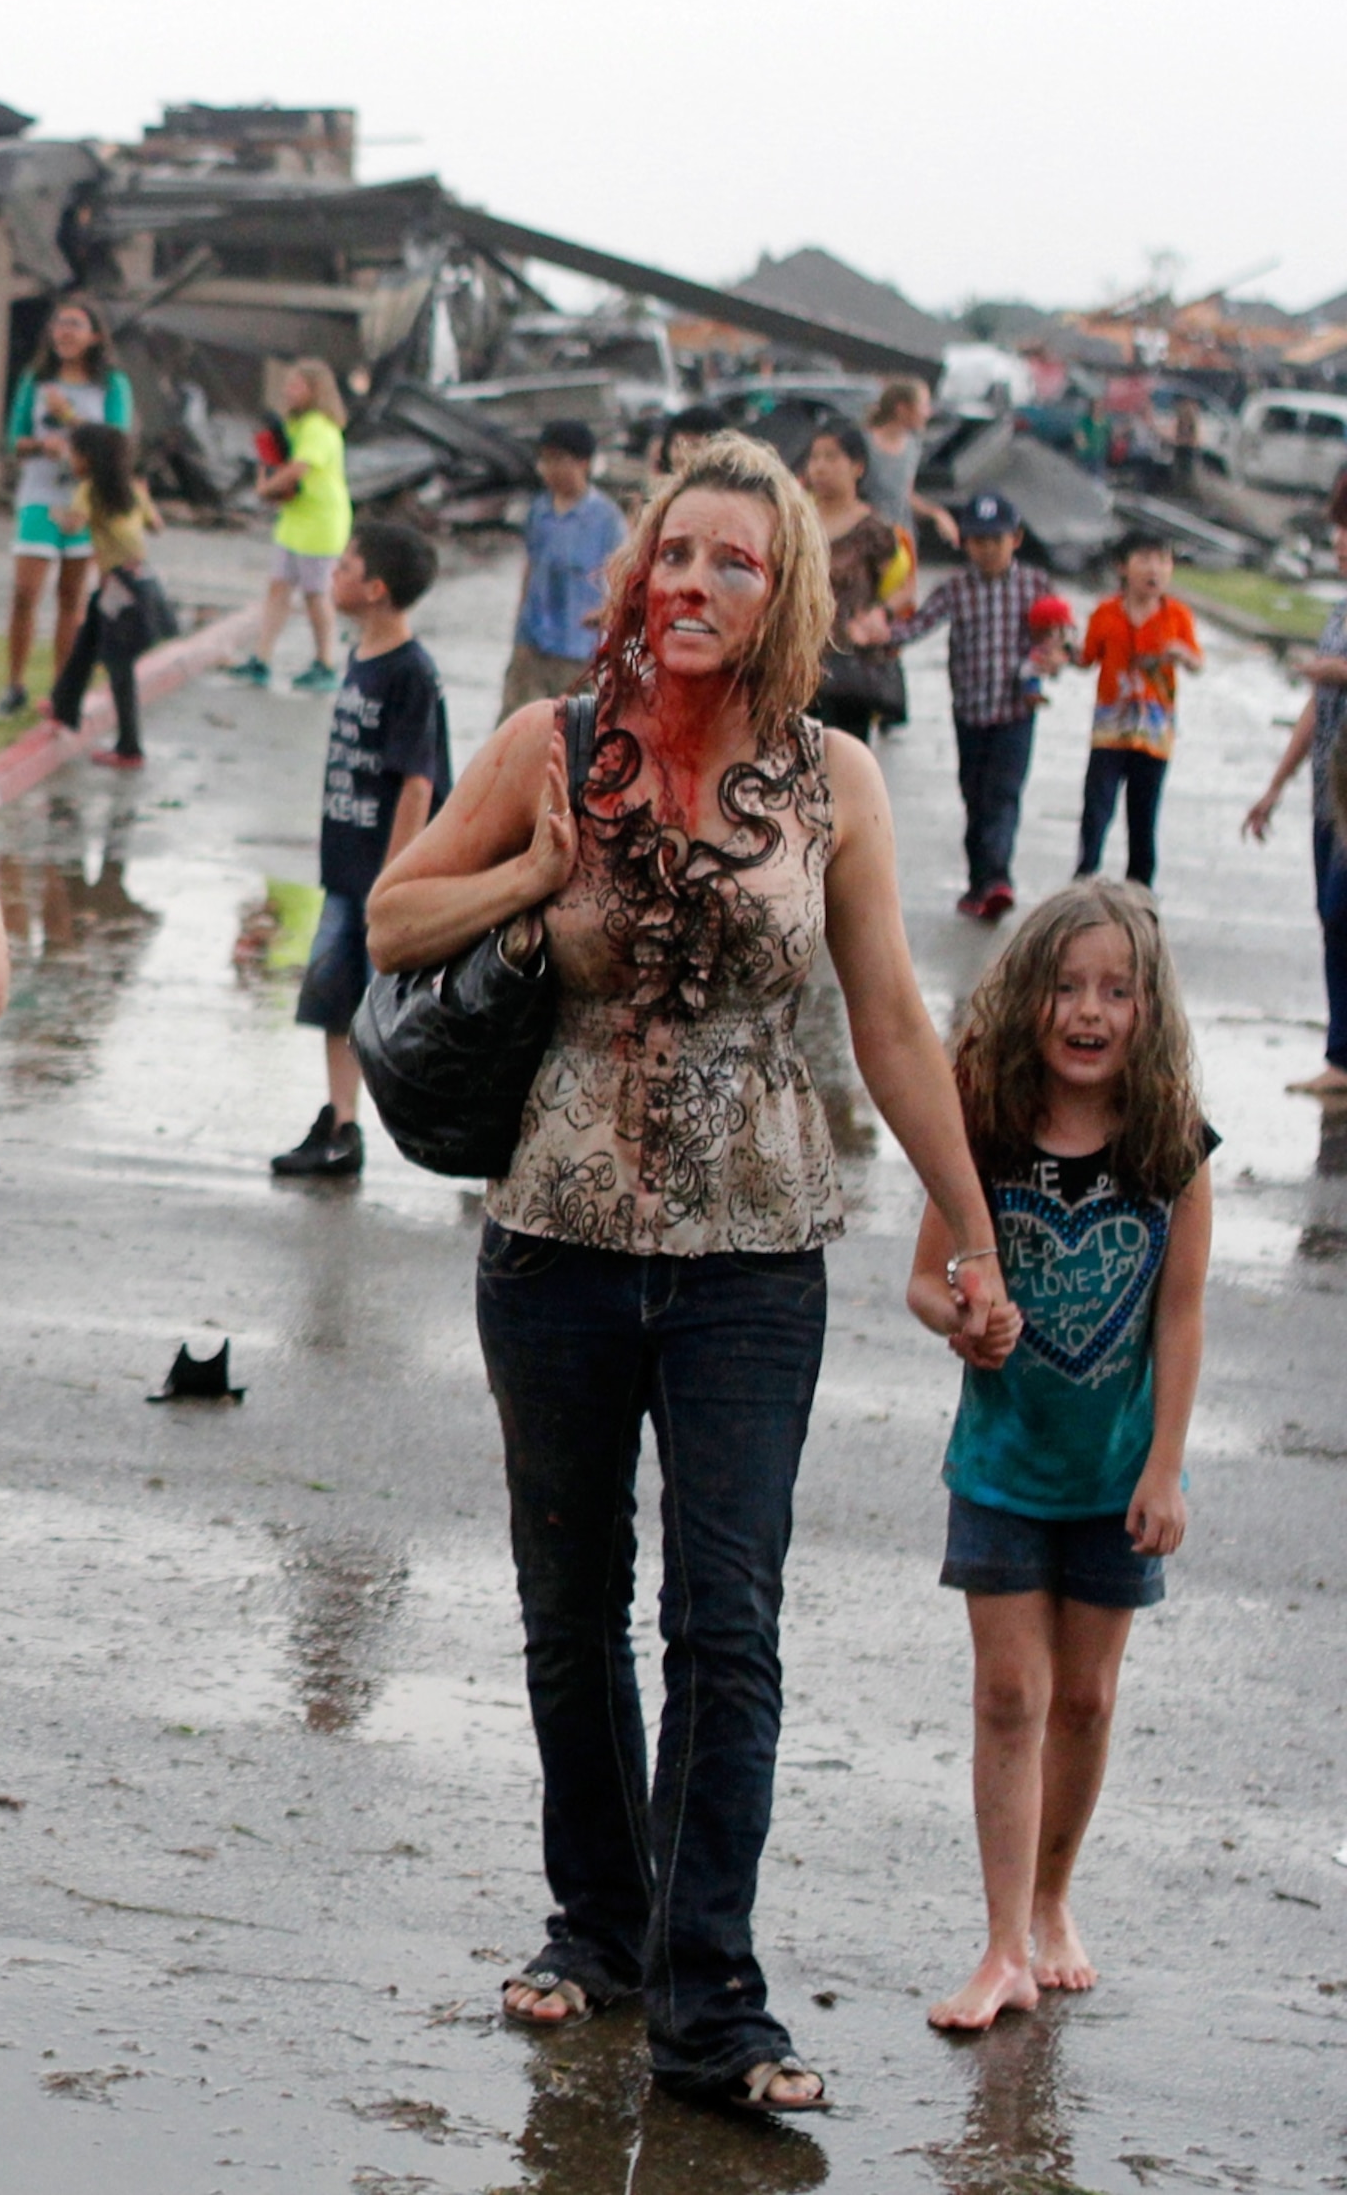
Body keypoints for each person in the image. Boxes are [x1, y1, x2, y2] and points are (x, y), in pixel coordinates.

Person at [365, 433, 1017, 2116]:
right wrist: (526, 871)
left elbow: (883, 1018)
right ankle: (594, 1924)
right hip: (554, 1242)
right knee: (569, 1613)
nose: (689, 583)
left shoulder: (833, 780)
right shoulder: (552, 745)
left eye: (732, 559)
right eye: (673, 553)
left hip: (751, 1258)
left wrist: (968, 1228)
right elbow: (387, 922)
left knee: (723, 1625)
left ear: (784, 588)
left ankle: (709, 2002)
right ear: (634, 574)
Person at [910, 881, 1210, 2032]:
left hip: (1115, 1474)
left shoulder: (1171, 1143)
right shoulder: (980, 1123)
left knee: (1083, 1699)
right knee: (1008, 1693)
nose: (1091, 1012)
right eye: (1070, 987)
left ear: (1149, 1008)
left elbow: (1180, 1316)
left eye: (1118, 991)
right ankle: (998, 1950)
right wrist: (962, 1316)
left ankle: (1051, 1901)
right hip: (999, 1464)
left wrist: (1166, 1468)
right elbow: (923, 1280)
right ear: (1030, 995)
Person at [271, 521, 444, 1179]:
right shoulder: (362, 655)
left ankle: (453, 1129)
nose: (333, 575)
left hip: (380, 874)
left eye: (344, 567)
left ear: (375, 589)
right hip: (346, 869)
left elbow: (418, 782)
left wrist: (393, 880)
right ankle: (341, 1125)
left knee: (393, 1016)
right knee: (333, 998)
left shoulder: (411, 674)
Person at [899, 492, 1070, 920]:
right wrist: (876, 637)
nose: (988, 548)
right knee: (974, 796)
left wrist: (1057, 653)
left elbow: (1059, 633)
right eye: (978, 540)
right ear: (965, 542)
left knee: (1003, 794)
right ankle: (979, 882)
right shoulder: (956, 590)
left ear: (1016, 538)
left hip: (1015, 712)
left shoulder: (1034, 585)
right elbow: (918, 625)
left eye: (997, 539)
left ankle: (998, 878)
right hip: (970, 713)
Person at [1240, 475, 1347, 1097]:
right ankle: (1342, 1051)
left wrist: (1340, 671)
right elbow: (1316, 705)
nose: (1338, 542)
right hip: (1327, 793)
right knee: (1332, 919)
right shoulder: (1339, 611)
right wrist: (1275, 785)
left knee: (1343, 908)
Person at [0, 296, 132, 717]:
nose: (65, 331)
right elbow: (13, 441)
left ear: (94, 335)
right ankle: (14, 685)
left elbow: (115, 444)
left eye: (75, 323)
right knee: (25, 593)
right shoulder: (35, 381)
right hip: (39, 497)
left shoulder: (111, 384)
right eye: (59, 324)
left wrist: (70, 419)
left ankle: (62, 692)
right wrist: (41, 444)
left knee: (71, 598)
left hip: (85, 504)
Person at [1064, 537, 1201, 886]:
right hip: (1110, 730)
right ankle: (1085, 875)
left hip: (1154, 735)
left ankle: (1141, 888)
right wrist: (1063, 648)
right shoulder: (1106, 613)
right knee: (1097, 807)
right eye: (1144, 558)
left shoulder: (1177, 616)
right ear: (1122, 567)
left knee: (1143, 815)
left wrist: (1180, 654)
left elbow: (1196, 661)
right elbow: (1086, 658)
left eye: (1162, 560)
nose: (1154, 568)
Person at [45, 421, 166, 767]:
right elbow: (157, 527)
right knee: (86, 643)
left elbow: (74, 524)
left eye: (75, 452)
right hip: (137, 581)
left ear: (89, 458)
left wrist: (55, 515)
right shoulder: (132, 489)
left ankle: (130, 748)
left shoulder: (89, 491)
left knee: (118, 664)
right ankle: (62, 706)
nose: (71, 458)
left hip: (118, 588)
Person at [230, 359, 353, 691]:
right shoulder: (296, 425)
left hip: (320, 521)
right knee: (279, 589)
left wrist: (266, 488)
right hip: (295, 517)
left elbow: (299, 467)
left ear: (316, 391)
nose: (288, 391)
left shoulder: (319, 427)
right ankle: (262, 657)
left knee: (316, 594)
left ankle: (326, 661)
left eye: (296, 385)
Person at [505, 419, 628, 719]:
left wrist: (609, 617)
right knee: (517, 726)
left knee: (575, 734)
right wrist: (519, 625)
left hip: (579, 648)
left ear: (583, 463)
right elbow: (530, 568)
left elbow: (622, 576)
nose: (550, 469)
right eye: (545, 460)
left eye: (559, 459)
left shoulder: (606, 518)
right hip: (532, 642)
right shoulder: (538, 511)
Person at [803, 421, 915, 742]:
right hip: (798, 661)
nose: (820, 467)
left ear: (857, 467)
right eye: (814, 458)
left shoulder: (874, 529)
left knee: (843, 760)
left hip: (849, 666)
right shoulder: (796, 521)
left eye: (831, 457)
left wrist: (880, 614)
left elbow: (905, 587)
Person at [865, 378, 962, 549]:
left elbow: (904, 495)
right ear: (902, 409)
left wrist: (936, 513)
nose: (928, 413)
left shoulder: (912, 445)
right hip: (868, 539)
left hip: (902, 541)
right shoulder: (864, 444)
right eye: (924, 406)